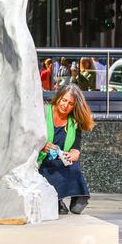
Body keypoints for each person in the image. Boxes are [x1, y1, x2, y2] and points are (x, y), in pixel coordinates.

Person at [37, 84, 95, 215]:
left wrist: (73, 155)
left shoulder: (74, 122)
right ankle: (57, 200)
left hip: (61, 160)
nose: (65, 105)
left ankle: (79, 197)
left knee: (72, 166)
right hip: (42, 161)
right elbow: (28, 139)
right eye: (64, 100)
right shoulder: (43, 113)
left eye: (70, 103)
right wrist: (41, 146)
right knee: (50, 169)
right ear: (58, 97)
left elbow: (76, 149)